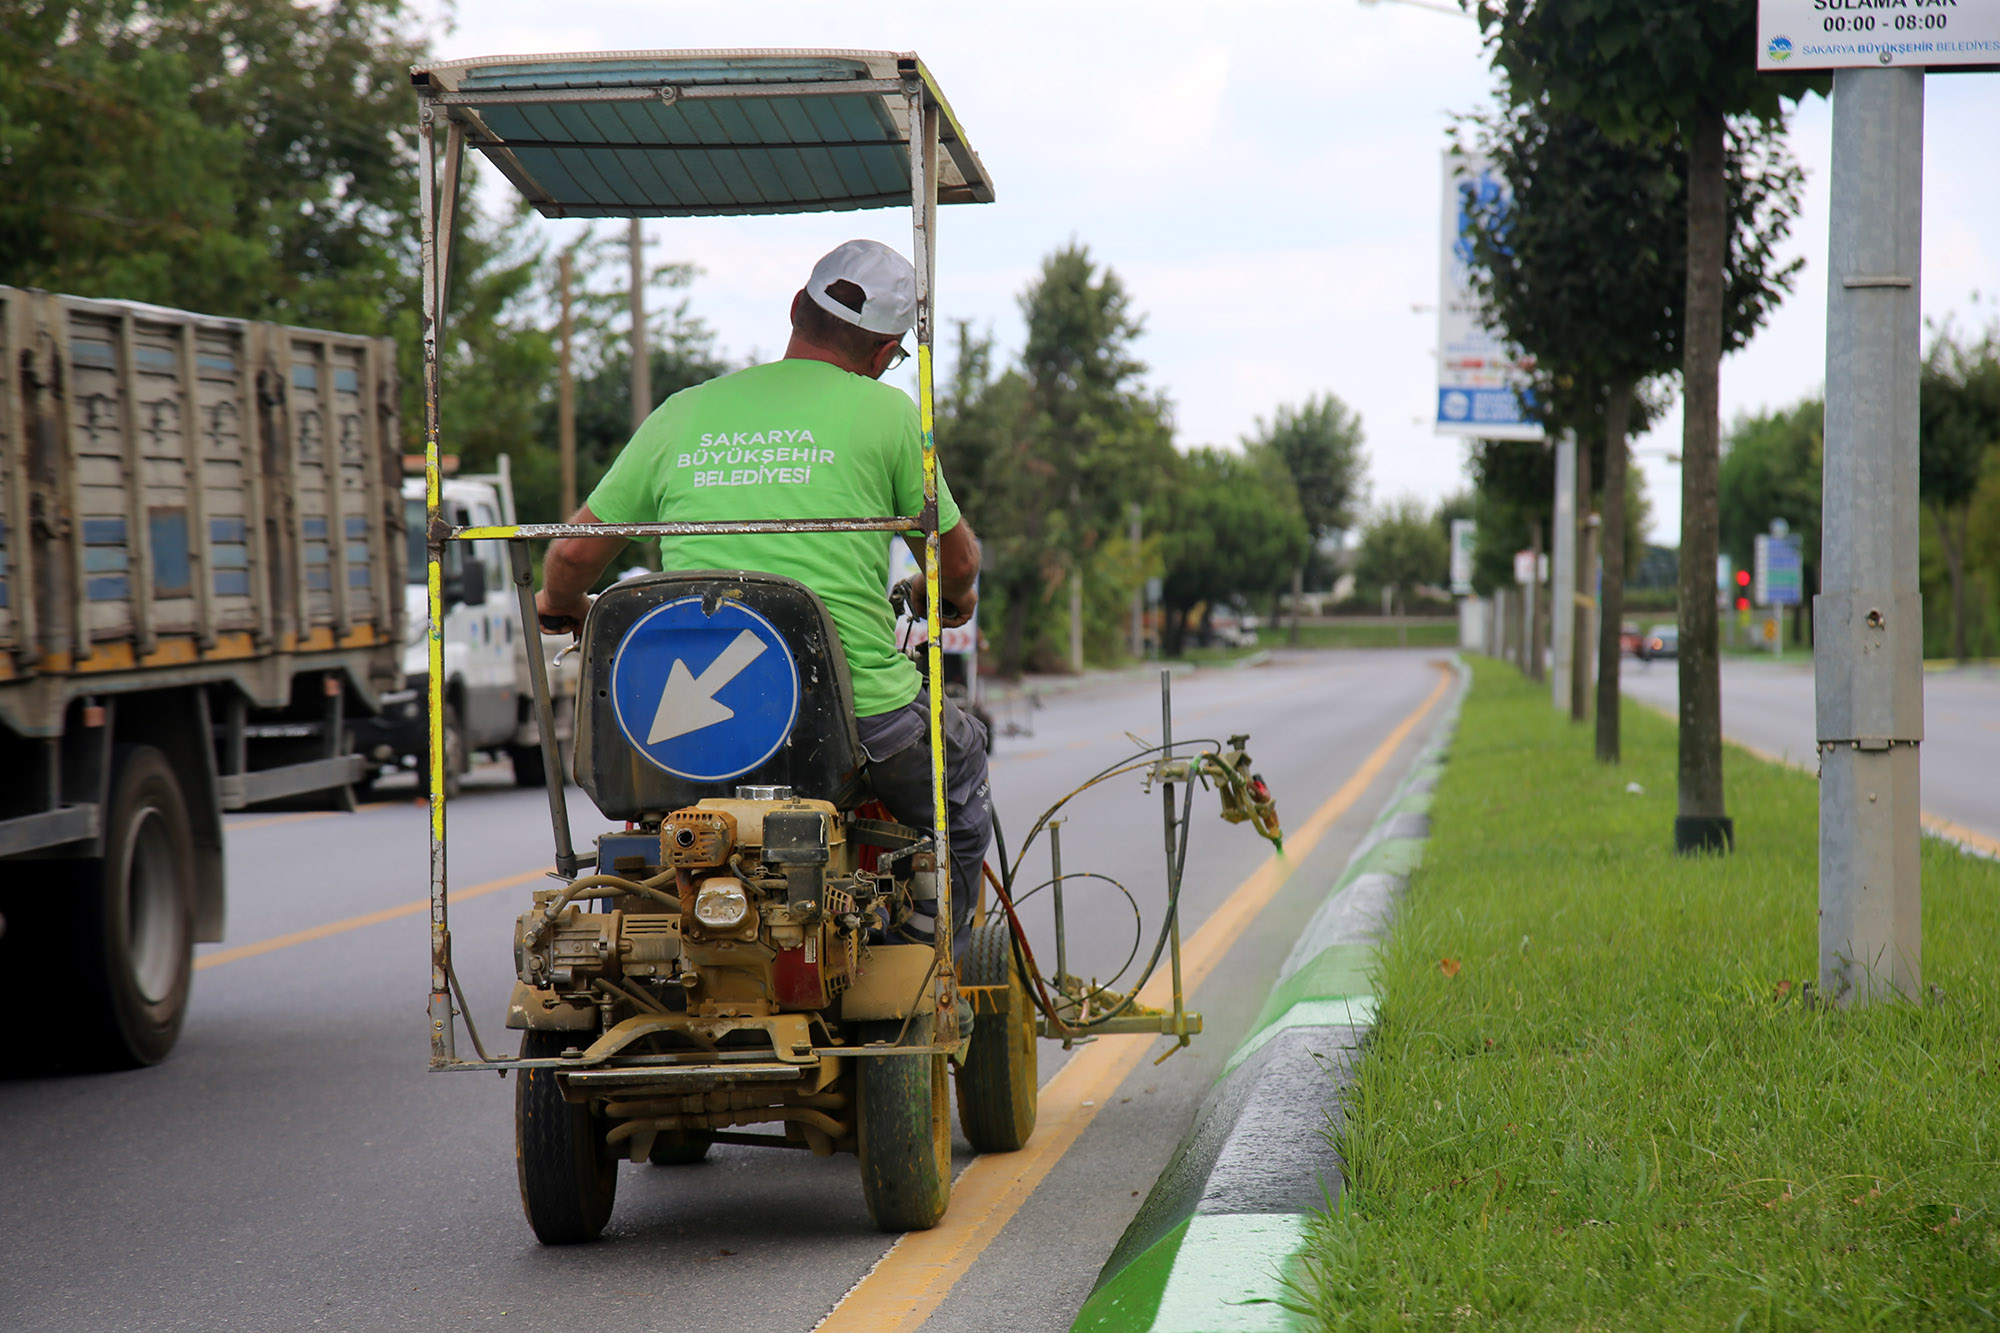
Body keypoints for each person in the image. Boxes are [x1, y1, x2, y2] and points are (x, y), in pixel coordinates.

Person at [535, 239, 991, 961]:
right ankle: (939, 957)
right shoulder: (891, 415)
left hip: (677, 737)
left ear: (795, 311)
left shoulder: (682, 413)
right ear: (882, 355)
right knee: (960, 769)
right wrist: (950, 595)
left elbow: (568, 555)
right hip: (852, 721)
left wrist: (561, 604)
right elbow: (958, 557)